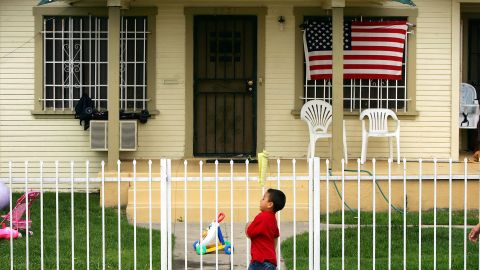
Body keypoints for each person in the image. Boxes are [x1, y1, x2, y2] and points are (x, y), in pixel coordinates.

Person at [245, 188, 286, 270]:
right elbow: (276, 236)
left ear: (270, 204)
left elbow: (249, 233)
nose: (261, 200)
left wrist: (248, 225)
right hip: (270, 262)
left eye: (263, 198)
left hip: (259, 262)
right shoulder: (273, 219)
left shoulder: (262, 217)